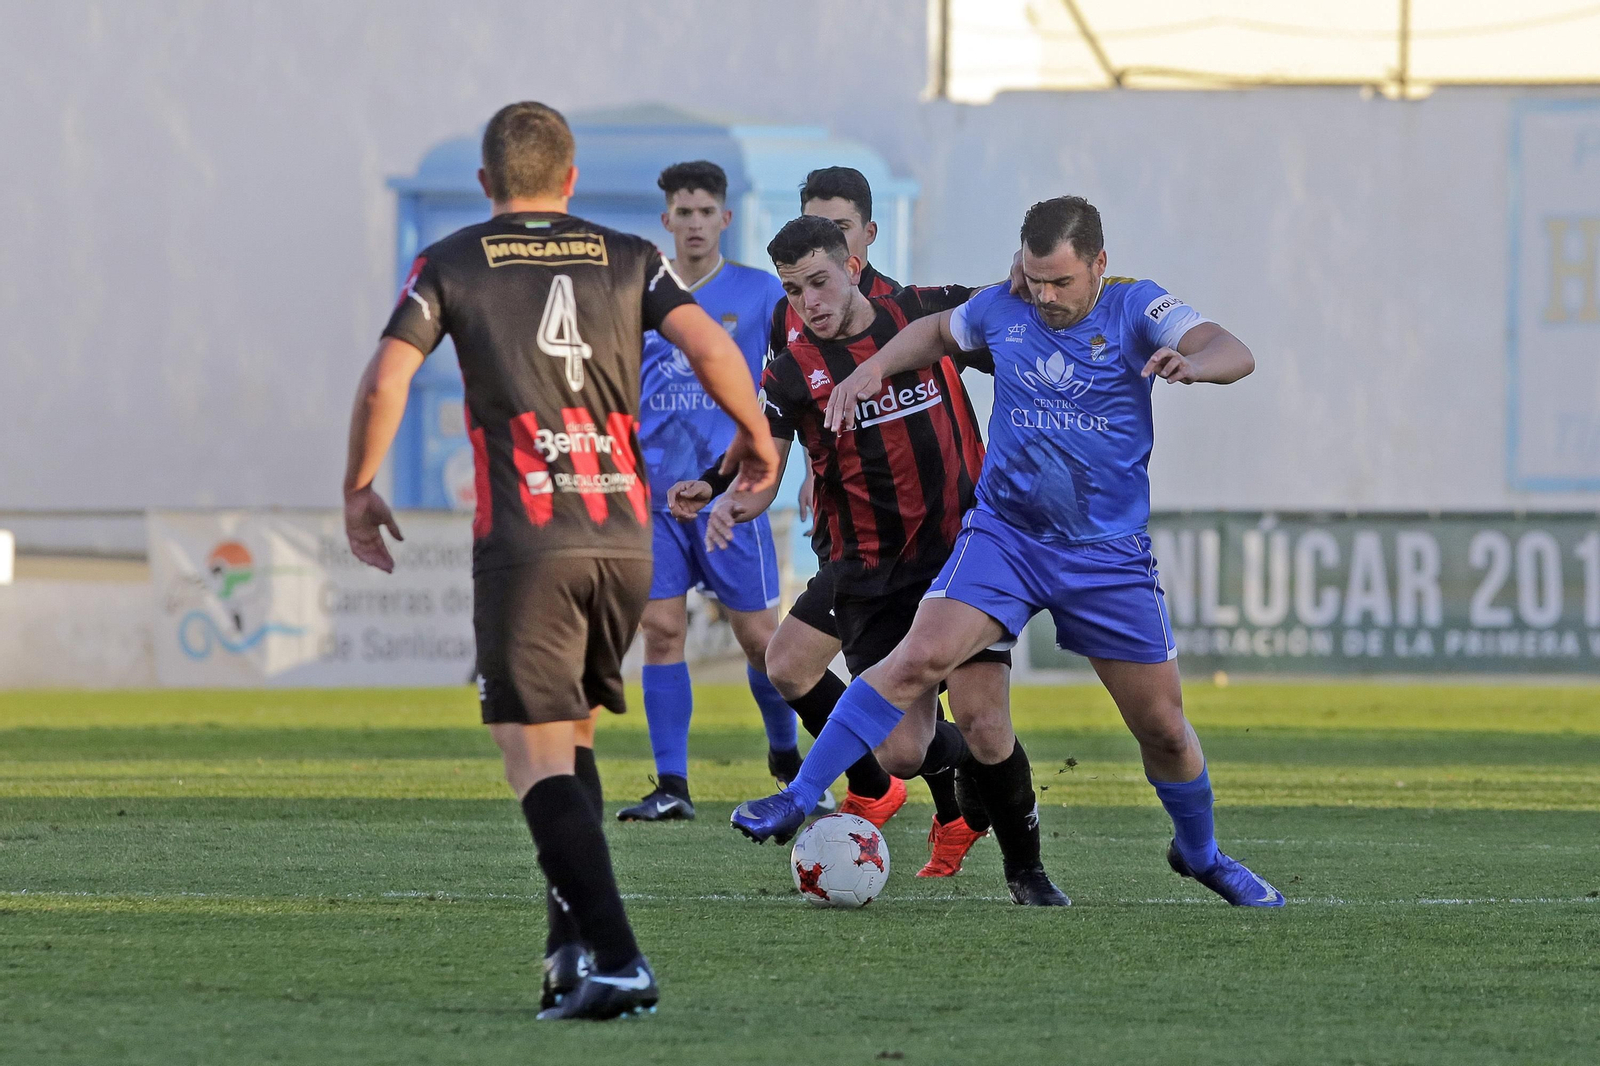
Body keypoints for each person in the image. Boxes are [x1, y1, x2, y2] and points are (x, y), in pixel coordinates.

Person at [342, 102, 777, 1022]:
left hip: (531, 538)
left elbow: (388, 376)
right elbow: (706, 343)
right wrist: (755, 439)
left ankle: (618, 959)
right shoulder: (628, 255)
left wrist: (360, 485)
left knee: (525, 754)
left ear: (487, 182)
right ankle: (567, 952)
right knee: (570, 740)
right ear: (570, 181)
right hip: (624, 533)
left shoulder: (454, 260)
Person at [733, 196, 1284, 908]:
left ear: (1099, 265)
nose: (1045, 297)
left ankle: (1201, 853)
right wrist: (871, 372)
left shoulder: (1135, 308)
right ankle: (802, 794)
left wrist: (1197, 364)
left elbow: (1232, 350)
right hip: (1005, 538)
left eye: (1060, 282)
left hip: (1105, 555)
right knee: (916, 660)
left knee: (1164, 730)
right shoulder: (1005, 306)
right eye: (1034, 278)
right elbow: (933, 331)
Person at [675, 214, 1061, 897]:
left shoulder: (919, 313)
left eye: (820, 282)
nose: (810, 302)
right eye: (794, 292)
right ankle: (956, 769)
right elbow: (766, 460)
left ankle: (1026, 870)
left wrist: (1046, 284)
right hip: (870, 571)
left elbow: (1000, 305)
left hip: (961, 554)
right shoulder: (792, 373)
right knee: (903, 752)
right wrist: (734, 499)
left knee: (985, 717)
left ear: (853, 266)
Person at [617, 160, 819, 823]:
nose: (696, 223)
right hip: (654, 494)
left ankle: (784, 749)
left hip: (731, 495)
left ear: (725, 219)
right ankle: (672, 785)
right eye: (684, 211)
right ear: (667, 221)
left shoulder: (761, 294)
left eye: (707, 211)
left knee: (761, 640)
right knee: (662, 629)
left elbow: (797, 379)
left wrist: (808, 464)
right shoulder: (638, 293)